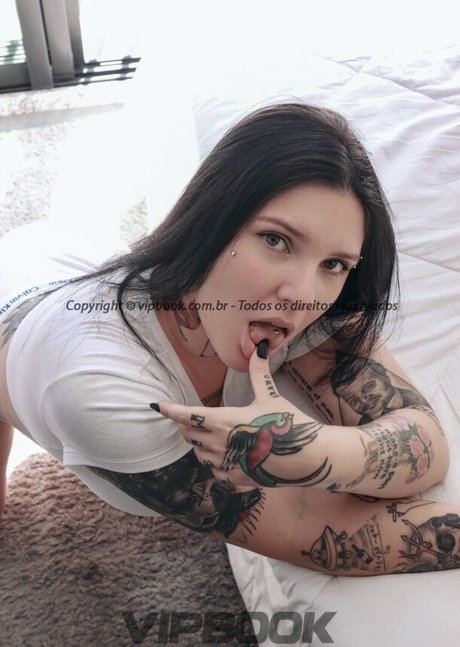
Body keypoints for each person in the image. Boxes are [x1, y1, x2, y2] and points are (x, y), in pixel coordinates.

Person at [0, 103, 458, 575]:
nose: (303, 295)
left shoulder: (304, 301)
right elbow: (307, 526)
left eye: (334, 264)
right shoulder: (92, 387)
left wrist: (314, 449)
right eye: (276, 240)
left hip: (73, 261)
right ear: (212, 222)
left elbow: (426, 444)